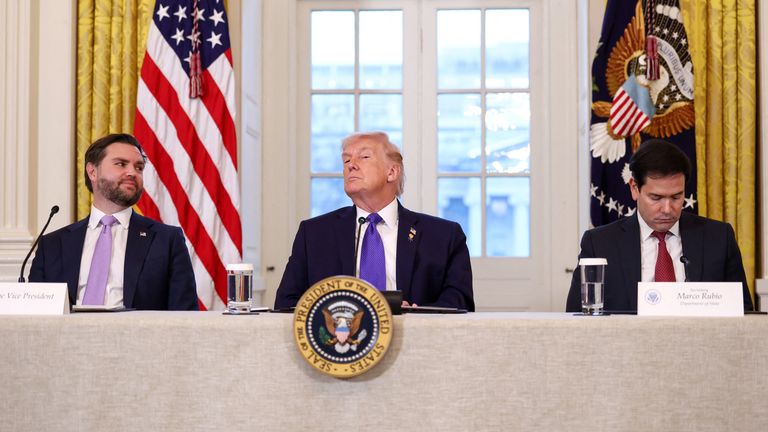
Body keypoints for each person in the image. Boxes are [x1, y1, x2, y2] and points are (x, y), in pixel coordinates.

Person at [275, 131, 474, 311]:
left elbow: (460, 302)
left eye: (364, 156)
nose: (351, 165)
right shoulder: (314, 234)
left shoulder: (443, 236)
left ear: (392, 172)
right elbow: (286, 303)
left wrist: (416, 314)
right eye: (346, 161)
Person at [566, 139, 753, 312]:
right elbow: (576, 317)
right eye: (656, 198)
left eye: (676, 197)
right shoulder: (599, 243)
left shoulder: (719, 238)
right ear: (634, 188)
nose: (667, 209)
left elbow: (743, 312)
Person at [29, 133, 199, 310]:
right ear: (92, 172)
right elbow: (36, 313)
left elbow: (184, 314)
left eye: (139, 167)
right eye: (121, 164)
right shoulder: (52, 245)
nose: (133, 172)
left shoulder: (167, 240)